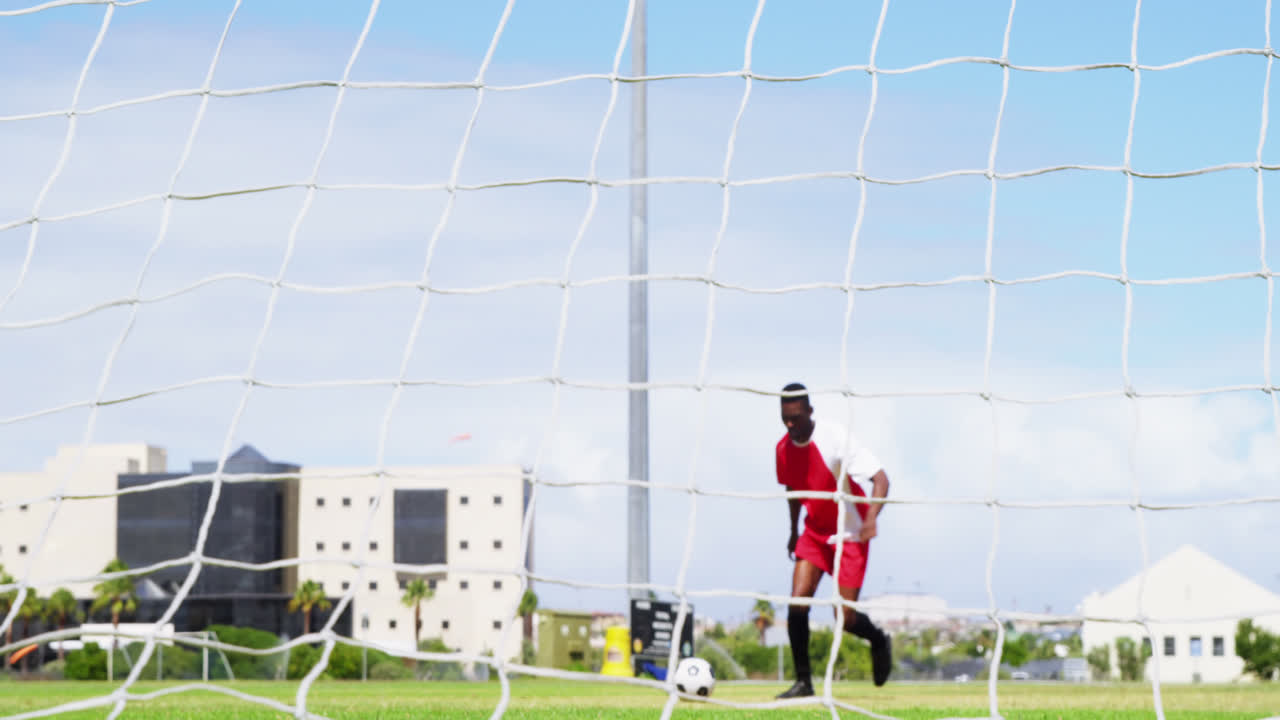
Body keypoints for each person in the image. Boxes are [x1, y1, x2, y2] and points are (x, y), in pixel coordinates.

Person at [774, 382, 892, 698]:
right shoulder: (783, 449)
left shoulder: (835, 438)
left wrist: (870, 520)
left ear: (809, 412)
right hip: (814, 533)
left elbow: (881, 478)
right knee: (797, 603)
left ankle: (879, 640)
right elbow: (793, 491)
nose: (790, 424)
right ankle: (804, 683)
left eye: (796, 417)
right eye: (785, 418)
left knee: (844, 618)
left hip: (852, 535)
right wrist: (793, 530)